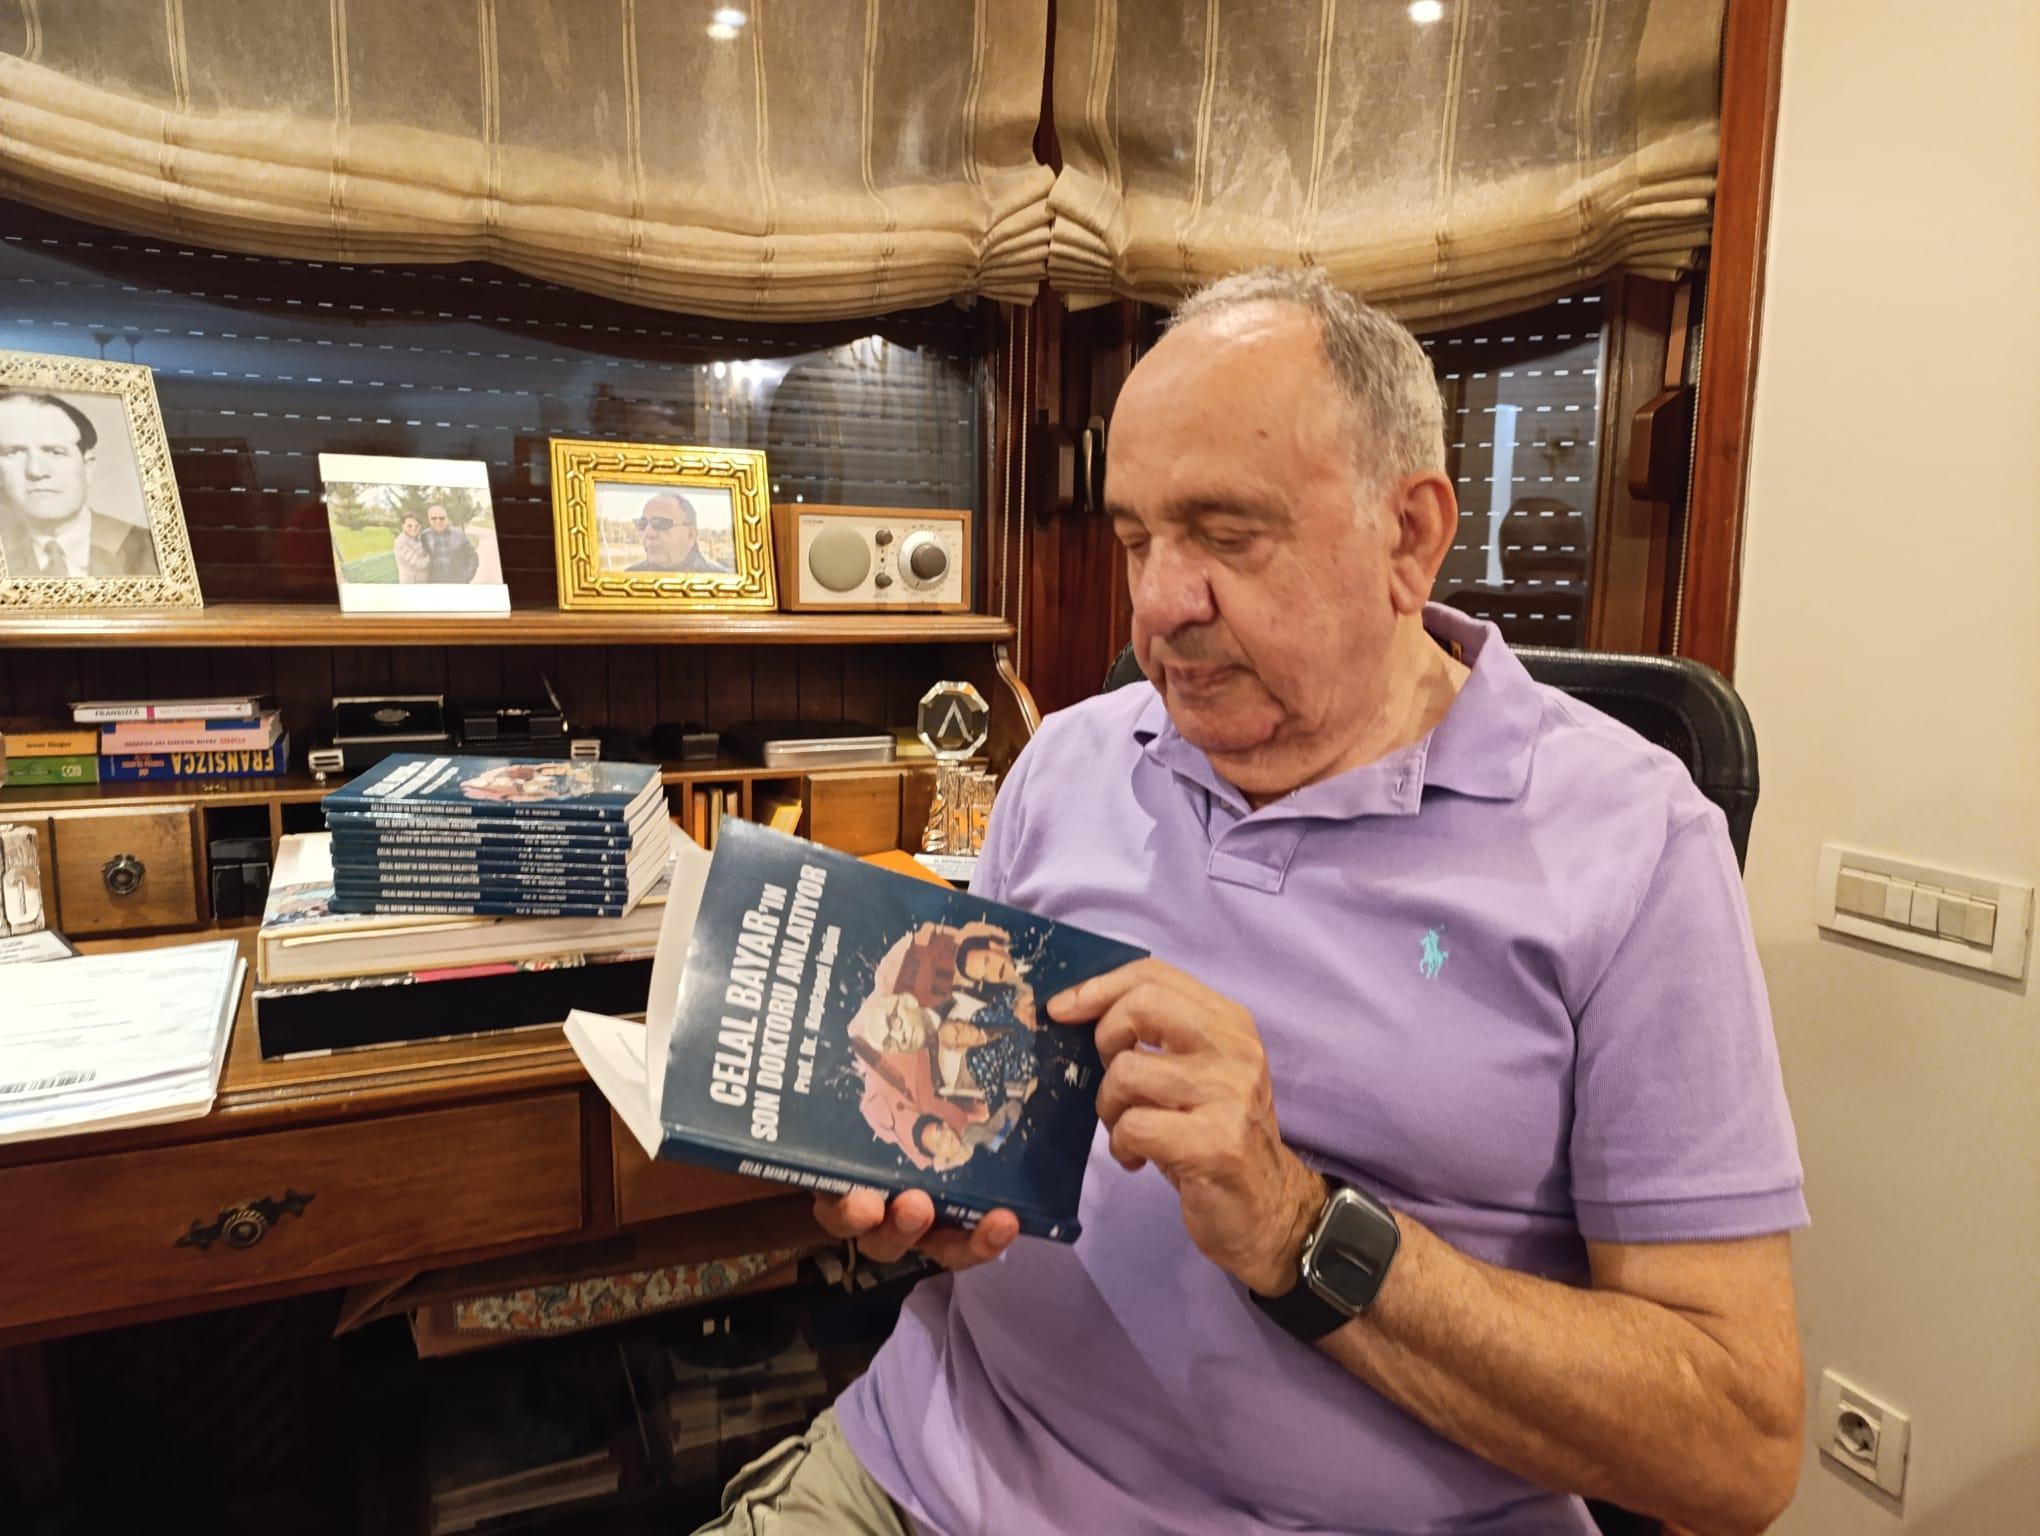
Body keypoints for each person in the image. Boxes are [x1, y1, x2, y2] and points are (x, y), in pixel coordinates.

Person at [696, 267, 1807, 1536]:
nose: (1160, 605)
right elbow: (981, 1138)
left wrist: (1298, 1227)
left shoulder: (1636, 842)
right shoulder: (1067, 760)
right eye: (1135, 540)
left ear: (1410, 537)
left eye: (1227, 535)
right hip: (928, 1474)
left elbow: (1737, 1451)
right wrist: (926, 1184)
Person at [0, 390, 158, 579]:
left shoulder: (152, 551)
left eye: (55, 452)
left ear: (87, 467)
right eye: (13, 452)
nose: (36, 470)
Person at [627, 491, 729, 572]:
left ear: (691, 535)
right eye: (642, 524)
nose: (648, 533)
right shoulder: (630, 577)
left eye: (660, 523)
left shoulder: (722, 580)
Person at [420, 502, 479, 584]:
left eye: (442, 518)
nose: (438, 521)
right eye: (433, 518)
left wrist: (467, 577)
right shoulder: (424, 536)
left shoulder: (459, 534)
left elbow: (473, 557)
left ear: (447, 518)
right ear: (428, 519)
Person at [392, 511, 428, 584]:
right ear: (403, 526)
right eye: (409, 526)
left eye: (417, 526)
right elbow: (418, 564)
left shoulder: (418, 537)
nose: (413, 528)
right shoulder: (401, 542)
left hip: (423, 580)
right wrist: (433, 557)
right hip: (411, 582)